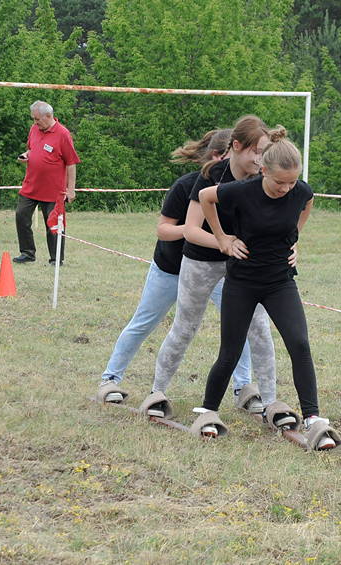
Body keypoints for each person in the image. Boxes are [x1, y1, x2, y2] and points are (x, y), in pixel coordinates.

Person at [190, 127, 341, 450]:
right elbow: (205, 198)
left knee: (299, 343)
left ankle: (313, 418)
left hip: (279, 282)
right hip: (242, 282)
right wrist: (222, 238)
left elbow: (307, 201)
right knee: (230, 352)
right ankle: (208, 411)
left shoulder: (300, 191)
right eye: (279, 183)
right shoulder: (242, 191)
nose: (286, 188)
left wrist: (294, 240)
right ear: (264, 171)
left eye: (291, 182)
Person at [140, 115, 287, 420]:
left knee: (259, 329)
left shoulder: (263, 177)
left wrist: (290, 246)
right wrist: (223, 241)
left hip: (243, 262)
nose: (261, 160)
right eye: (256, 152)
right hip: (201, 260)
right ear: (236, 146)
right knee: (185, 327)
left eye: (264, 153)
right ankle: (157, 391)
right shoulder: (211, 175)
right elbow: (191, 230)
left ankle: (270, 402)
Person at [96, 129, 256, 407]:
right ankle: (110, 379)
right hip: (171, 268)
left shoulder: (242, 188)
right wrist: (196, 231)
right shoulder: (186, 186)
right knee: (144, 322)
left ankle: (244, 387)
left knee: (239, 326)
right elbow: (163, 230)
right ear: (220, 155)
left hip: (217, 270)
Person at [13, 100, 80, 266]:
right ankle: (27, 253)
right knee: (21, 216)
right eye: (33, 119)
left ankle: (56, 259)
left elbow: (71, 163)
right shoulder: (34, 129)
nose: (35, 123)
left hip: (53, 191)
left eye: (37, 119)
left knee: (53, 225)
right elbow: (32, 149)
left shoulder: (63, 134)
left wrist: (71, 190)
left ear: (48, 116)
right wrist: (26, 155)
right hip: (31, 185)